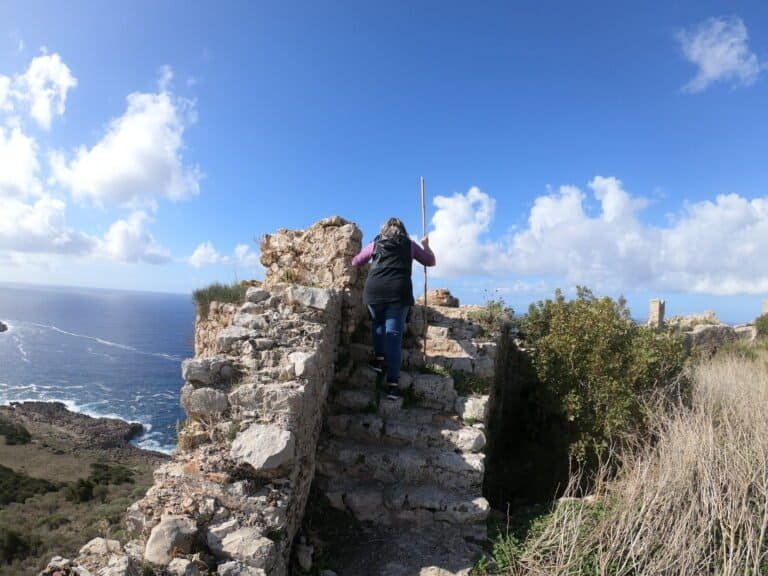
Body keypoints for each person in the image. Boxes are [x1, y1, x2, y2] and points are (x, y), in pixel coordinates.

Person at [351, 217, 436, 400]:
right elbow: (430, 261)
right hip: (398, 292)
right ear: (403, 231)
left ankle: (379, 360)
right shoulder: (410, 245)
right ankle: (392, 386)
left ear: (384, 230)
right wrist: (426, 245)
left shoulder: (375, 244)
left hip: (374, 290)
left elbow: (356, 262)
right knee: (394, 337)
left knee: (378, 324)